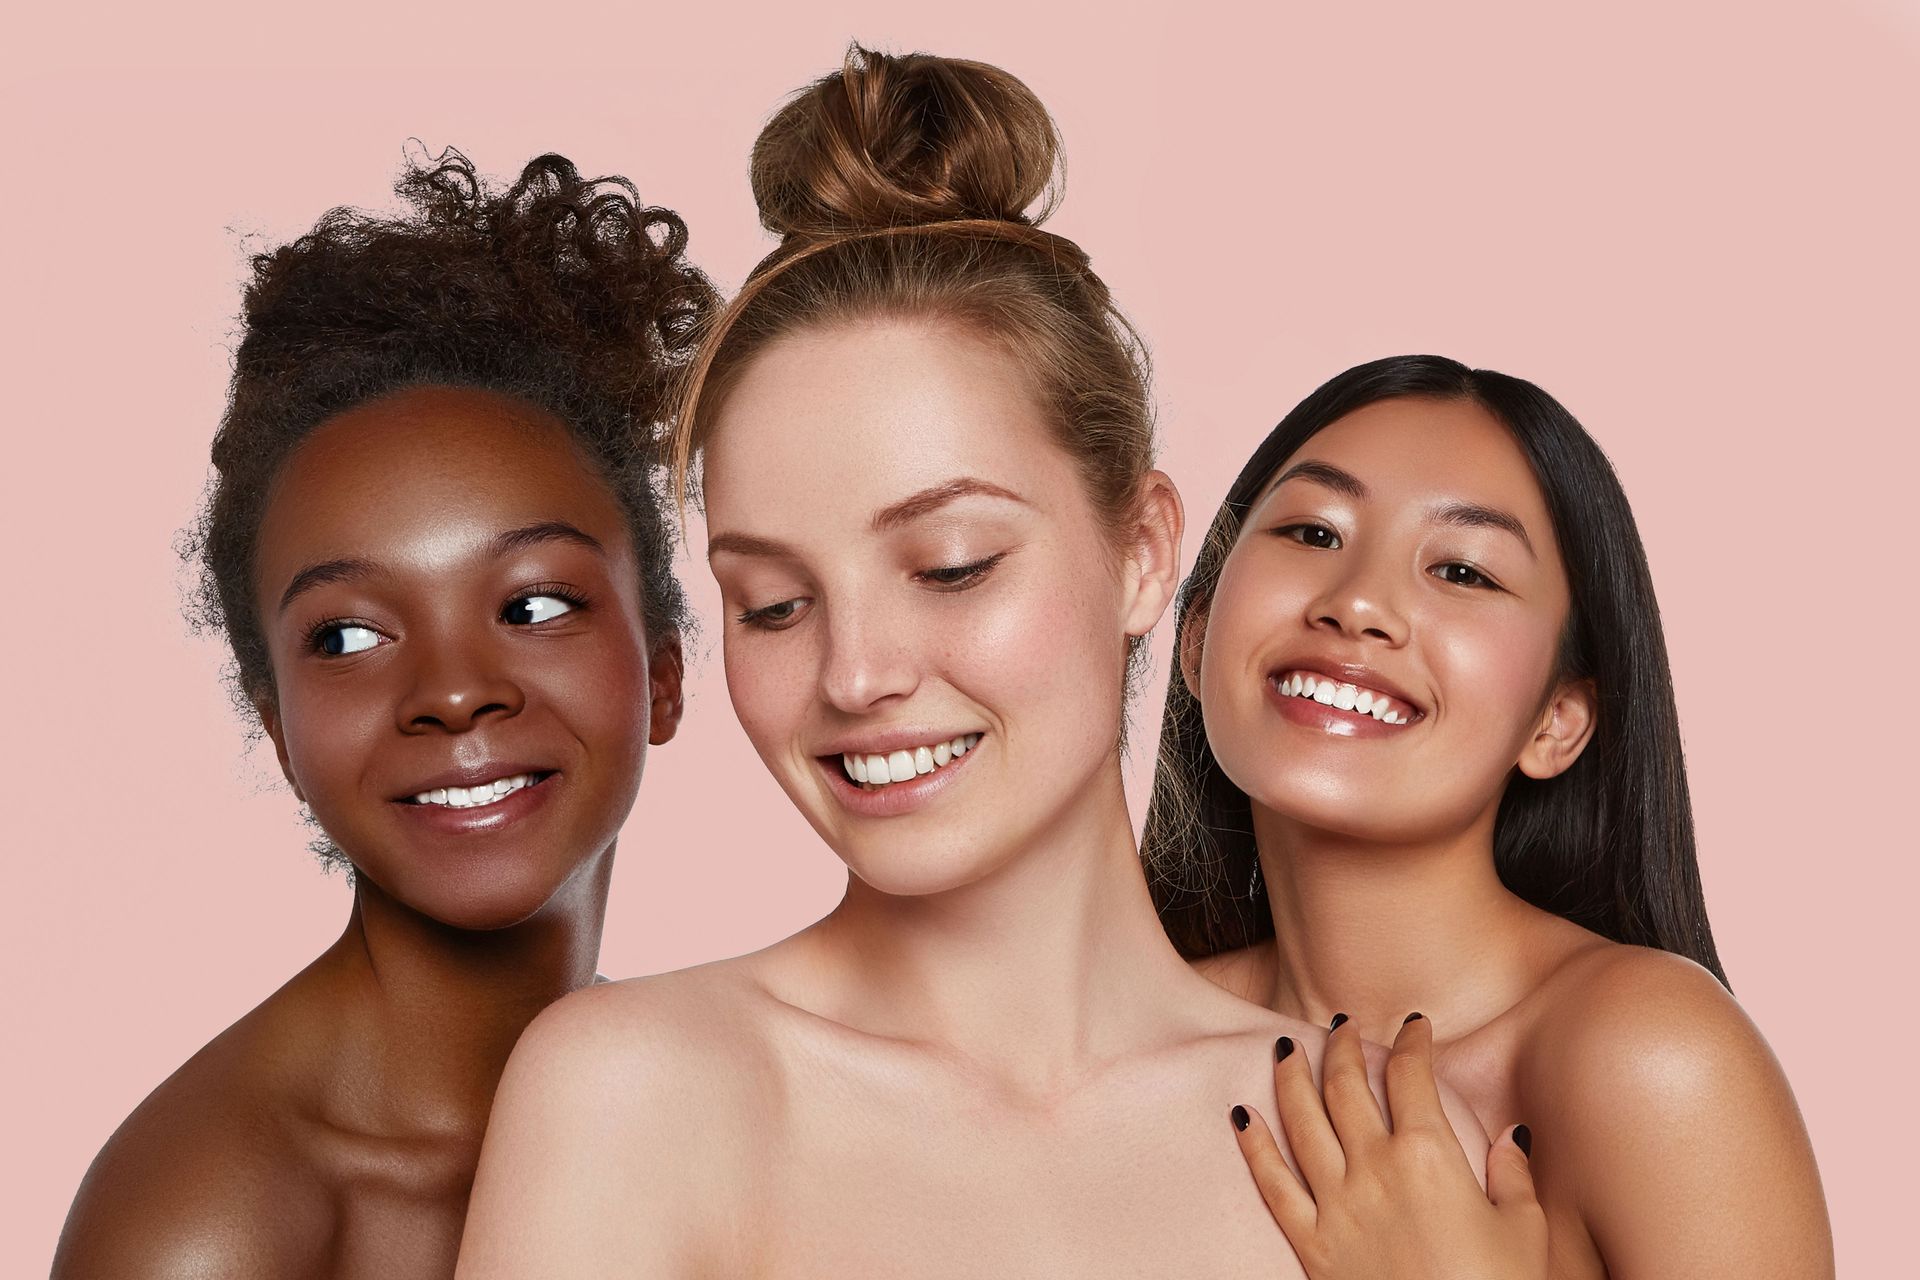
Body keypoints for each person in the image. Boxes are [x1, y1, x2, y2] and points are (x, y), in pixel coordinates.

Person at [458, 49, 1486, 1278]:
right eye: (774, 603)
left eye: (950, 566)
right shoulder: (638, 1094)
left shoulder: (1378, 1147)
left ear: (1147, 549)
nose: (856, 673)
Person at [53, 149, 713, 1279]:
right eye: (349, 636)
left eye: (535, 601)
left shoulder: (707, 1106)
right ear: (279, 729)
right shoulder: (208, 1225)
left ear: (661, 669)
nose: (454, 689)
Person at [1145, 355, 1834, 1277]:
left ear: (1557, 722)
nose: (1357, 603)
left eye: (1464, 571)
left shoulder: (1648, 1059)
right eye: (1312, 530)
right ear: (1196, 642)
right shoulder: (1117, 1041)